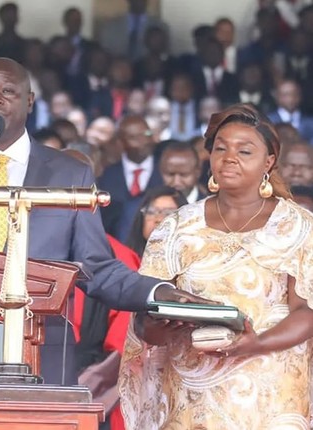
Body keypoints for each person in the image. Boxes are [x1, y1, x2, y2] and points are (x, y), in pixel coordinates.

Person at [0, 57, 212, 384]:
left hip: (39, 355)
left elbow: (97, 267)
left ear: (30, 101)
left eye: (8, 91)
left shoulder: (70, 173)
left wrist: (158, 291)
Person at [118, 103, 313, 428]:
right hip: (192, 395)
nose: (229, 157)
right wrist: (164, 327)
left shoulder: (296, 225)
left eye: (244, 150)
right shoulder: (177, 226)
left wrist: (257, 343)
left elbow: (306, 311)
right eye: (220, 148)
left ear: (269, 162)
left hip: (271, 392)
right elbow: (144, 318)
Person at [124, 186, 188, 257]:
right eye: (151, 212)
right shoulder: (125, 261)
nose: (158, 219)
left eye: (168, 213)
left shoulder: (197, 263)